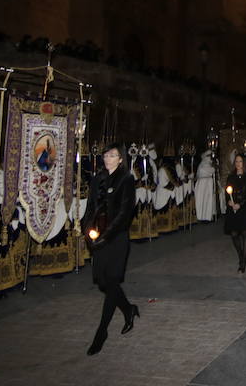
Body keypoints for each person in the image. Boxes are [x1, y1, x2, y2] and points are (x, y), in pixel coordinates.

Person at [82, 143, 139, 356]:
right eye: (106, 155)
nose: (108, 158)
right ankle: (128, 309)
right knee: (104, 282)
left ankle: (101, 332)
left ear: (121, 159)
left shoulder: (126, 179)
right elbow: (90, 208)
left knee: (112, 282)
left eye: (113, 155)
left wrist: (106, 236)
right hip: (98, 237)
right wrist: (87, 229)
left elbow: (124, 213)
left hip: (116, 238)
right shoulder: (97, 179)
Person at [224, 153, 246, 273]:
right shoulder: (231, 177)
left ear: (244, 163)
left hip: (245, 207)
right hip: (233, 208)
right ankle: (241, 255)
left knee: (244, 233)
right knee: (234, 234)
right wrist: (229, 201)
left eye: (240, 161)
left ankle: (243, 262)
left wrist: (240, 204)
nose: (238, 164)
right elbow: (227, 192)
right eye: (236, 161)